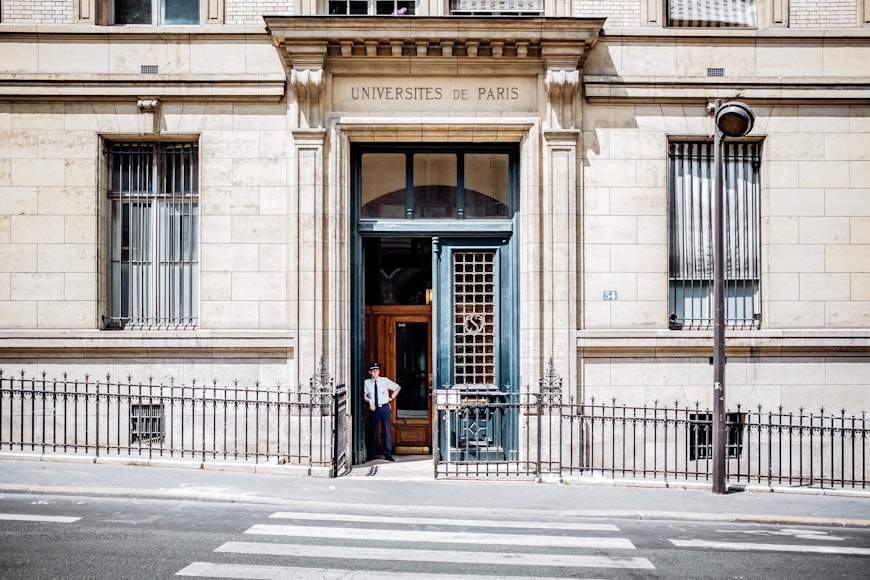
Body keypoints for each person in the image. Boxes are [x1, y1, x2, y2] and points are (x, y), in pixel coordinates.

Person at [363, 361, 401, 462]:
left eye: (377, 371)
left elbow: (397, 388)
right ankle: (371, 454)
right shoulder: (366, 383)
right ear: (369, 372)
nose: (376, 373)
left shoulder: (384, 381)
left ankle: (388, 454)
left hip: (384, 407)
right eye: (373, 371)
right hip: (374, 408)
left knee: (387, 431)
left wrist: (391, 397)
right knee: (373, 431)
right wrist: (369, 401)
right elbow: (364, 395)